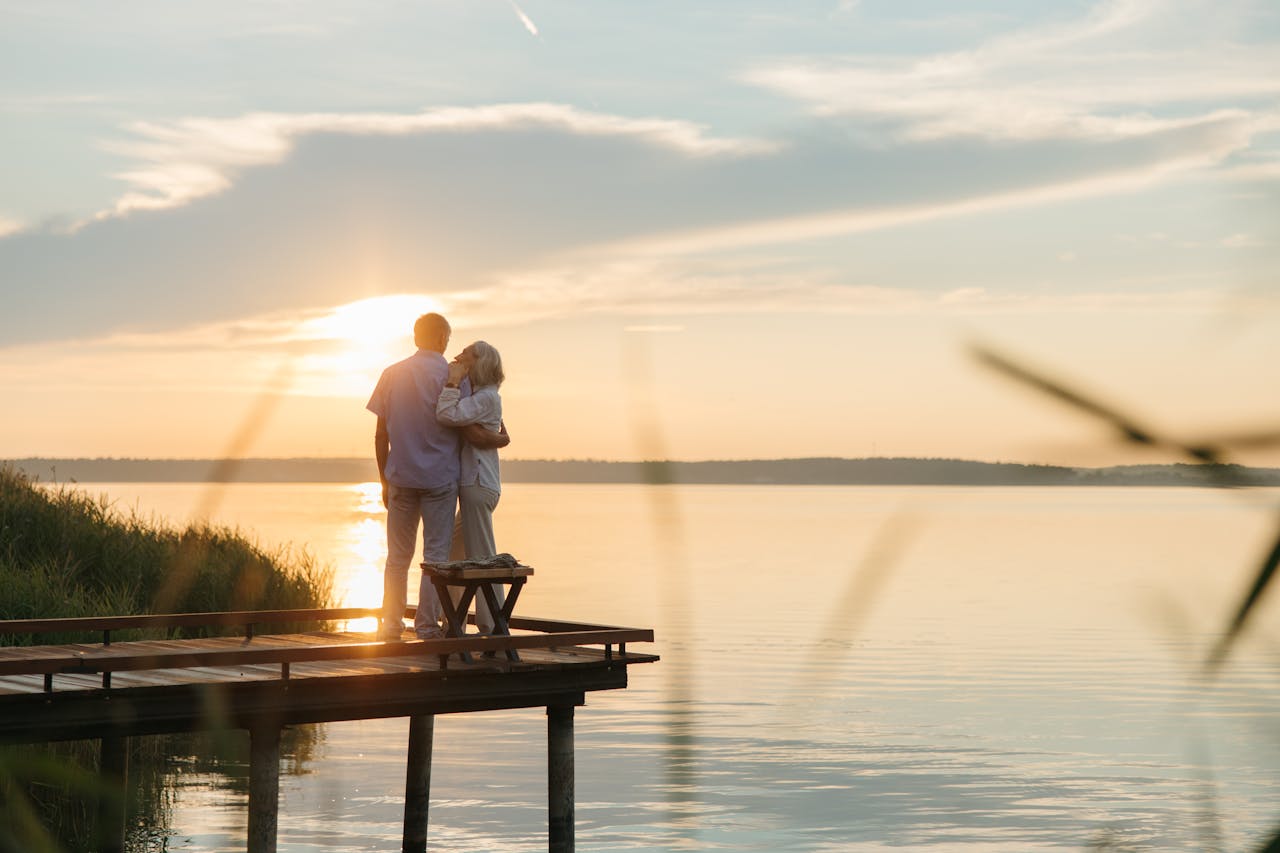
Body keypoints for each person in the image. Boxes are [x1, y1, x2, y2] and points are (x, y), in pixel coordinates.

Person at [366, 313, 507, 641]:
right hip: (441, 481)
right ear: (443, 338)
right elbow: (470, 429)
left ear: (416, 337)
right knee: (436, 559)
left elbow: (379, 434)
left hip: (400, 477)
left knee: (397, 558)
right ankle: (427, 628)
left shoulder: (390, 373)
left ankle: (390, 626)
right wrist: (500, 439)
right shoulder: (456, 376)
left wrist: (384, 481)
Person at [436, 340, 506, 634]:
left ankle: (493, 627)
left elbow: (446, 414)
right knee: (456, 552)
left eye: (466, 354)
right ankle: (454, 622)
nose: (459, 356)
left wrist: (452, 383)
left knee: (483, 559)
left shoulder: (486, 398)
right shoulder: (482, 396)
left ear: (479, 362)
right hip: (478, 484)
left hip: (478, 484)